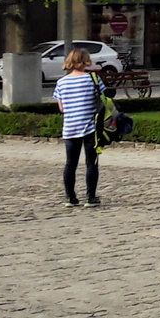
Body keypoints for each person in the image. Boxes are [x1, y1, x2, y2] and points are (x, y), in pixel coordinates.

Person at [55, 48, 103, 206]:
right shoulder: (92, 79)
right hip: (90, 127)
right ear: (85, 61)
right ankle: (91, 197)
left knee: (70, 163)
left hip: (70, 127)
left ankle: (70, 197)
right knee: (91, 163)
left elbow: (61, 108)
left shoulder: (61, 82)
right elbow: (103, 100)